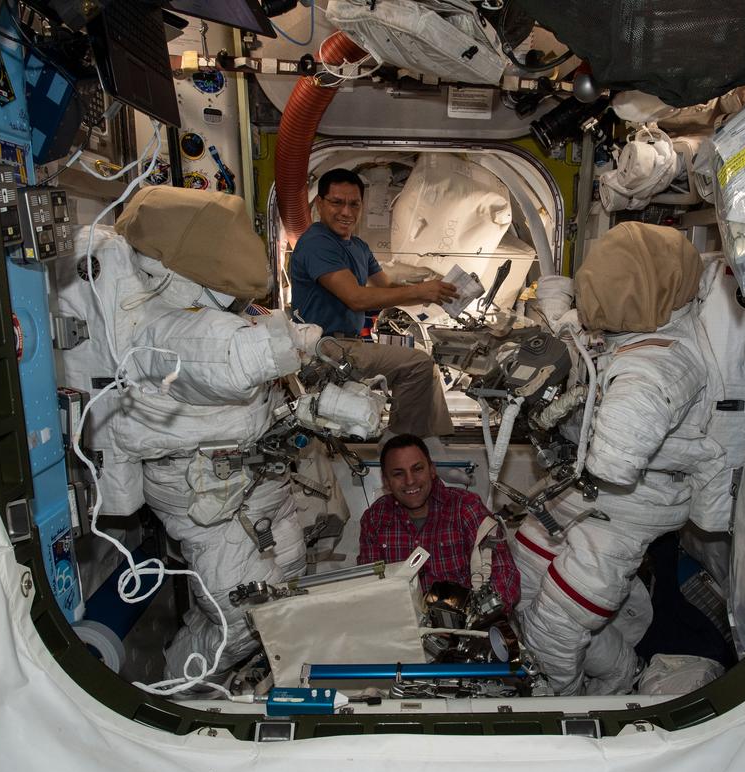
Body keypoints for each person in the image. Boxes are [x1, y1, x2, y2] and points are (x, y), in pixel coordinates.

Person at [57, 186, 322, 683]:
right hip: (208, 500)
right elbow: (217, 357)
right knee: (245, 622)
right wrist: (284, 347)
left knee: (286, 574)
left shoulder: (200, 308)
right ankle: (181, 696)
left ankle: (222, 680)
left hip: (248, 488)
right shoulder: (162, 327)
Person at [513, 222, 727, 696]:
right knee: (521, 574)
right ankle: (618, 673)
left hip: (629, 506)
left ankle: (557, 706)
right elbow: (580, 339)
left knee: (556, 627)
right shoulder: (626, 336)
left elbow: (614, 462)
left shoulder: (660, 363)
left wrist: (576, 413)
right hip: (584, 490)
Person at [288, 168, 458, 439]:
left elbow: (387, 288)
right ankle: (401, 445)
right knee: (417, 364)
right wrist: (421, 291)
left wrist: (435, 292)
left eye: (354, 204)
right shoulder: (317, 243)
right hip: (325, 348)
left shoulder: (359, 247)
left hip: (350, 345)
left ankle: (430, 444)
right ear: (319, 204)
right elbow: (356, 298)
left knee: (425, 367)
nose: (346, 212)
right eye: (337, 202)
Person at [358, 434, 520, 608]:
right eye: (398, 474)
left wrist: (474, 617)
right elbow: (370, 586)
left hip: (468, 623)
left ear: (432, 470)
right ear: (386, 482)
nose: (410, 480)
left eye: (417, 469)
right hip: (404, 624)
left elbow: (505, 576)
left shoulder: (466, 508)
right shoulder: (374, 519)